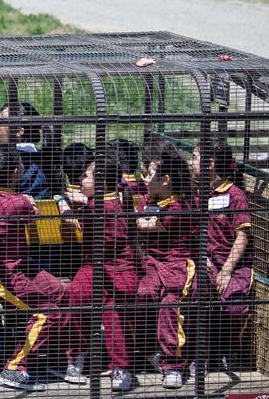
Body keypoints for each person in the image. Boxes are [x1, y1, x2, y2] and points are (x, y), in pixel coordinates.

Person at [0, 146, 69, 392]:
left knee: (63, 293)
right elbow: (29, 212)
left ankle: (54, 358)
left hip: (22, 264)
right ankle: (15, 367)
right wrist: (27, 203)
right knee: (47, 312)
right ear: (15, 174)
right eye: (21, 166)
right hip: (1, 274)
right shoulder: (18, 202)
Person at [62, 149, 138, 392]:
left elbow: (73, 221)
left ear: (103, 182)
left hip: (118, 268)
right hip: (93, 266)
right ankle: (77, 353)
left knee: (113, 312)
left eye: (86, 176)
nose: (81, 180)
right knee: (77, 296)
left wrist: (62, 205)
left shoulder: (100, 207)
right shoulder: (109, 200)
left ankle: (121, 367)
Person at [135, 139, 197, 390]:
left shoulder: (179, 207)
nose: (144, 179)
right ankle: (152, 352)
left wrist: (118, 209)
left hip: (176, 266)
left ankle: (173, 364)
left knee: (170, 305)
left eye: (149, 174)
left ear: (166, 180)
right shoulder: (148, 201)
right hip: (151, 264)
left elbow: (143, 225)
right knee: (143, 294)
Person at [191, 140, 252, 371]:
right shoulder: (196, 194)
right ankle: (202, 354)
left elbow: (242, 237)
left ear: (211, 164)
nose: (191, 163)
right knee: (198, 292)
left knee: (234, 304)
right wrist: (199, 256)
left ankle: (229, 347)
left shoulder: (235, 196)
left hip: (233, 266)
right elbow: (189, 232)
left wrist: (226, 271)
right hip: (205, 263)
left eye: (195, 158)